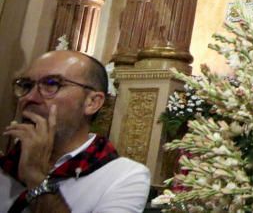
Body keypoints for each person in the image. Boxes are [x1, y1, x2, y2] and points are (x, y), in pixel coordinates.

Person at [2, 51, 150, 212]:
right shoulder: (7, 165)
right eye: (26, 85)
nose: (29, 97)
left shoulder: (123, 176)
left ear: (92, 102)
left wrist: (37, 177)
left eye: (51, 84)